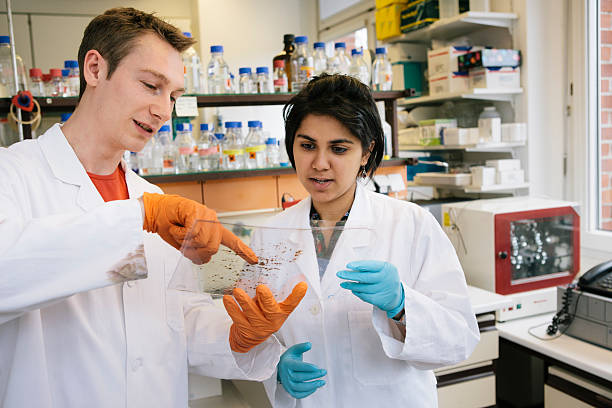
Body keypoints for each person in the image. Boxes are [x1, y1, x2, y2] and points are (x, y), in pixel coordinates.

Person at [0, 8, 306, 407]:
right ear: (95, 68)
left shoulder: (151, 197)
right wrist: (137, 218)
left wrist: (237, 337)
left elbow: (178, 318)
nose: (165, 110)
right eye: (150, 85)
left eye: (174, 96)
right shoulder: (14, 174)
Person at [251, 74, 480, 406]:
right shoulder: (267, 236)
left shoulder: (411, 225)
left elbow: (459, 338)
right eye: (307, 145)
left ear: (366, 152)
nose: (319, 163)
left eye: (339, 148)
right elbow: (251, 332)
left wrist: (402, 305)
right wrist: (274, 365)